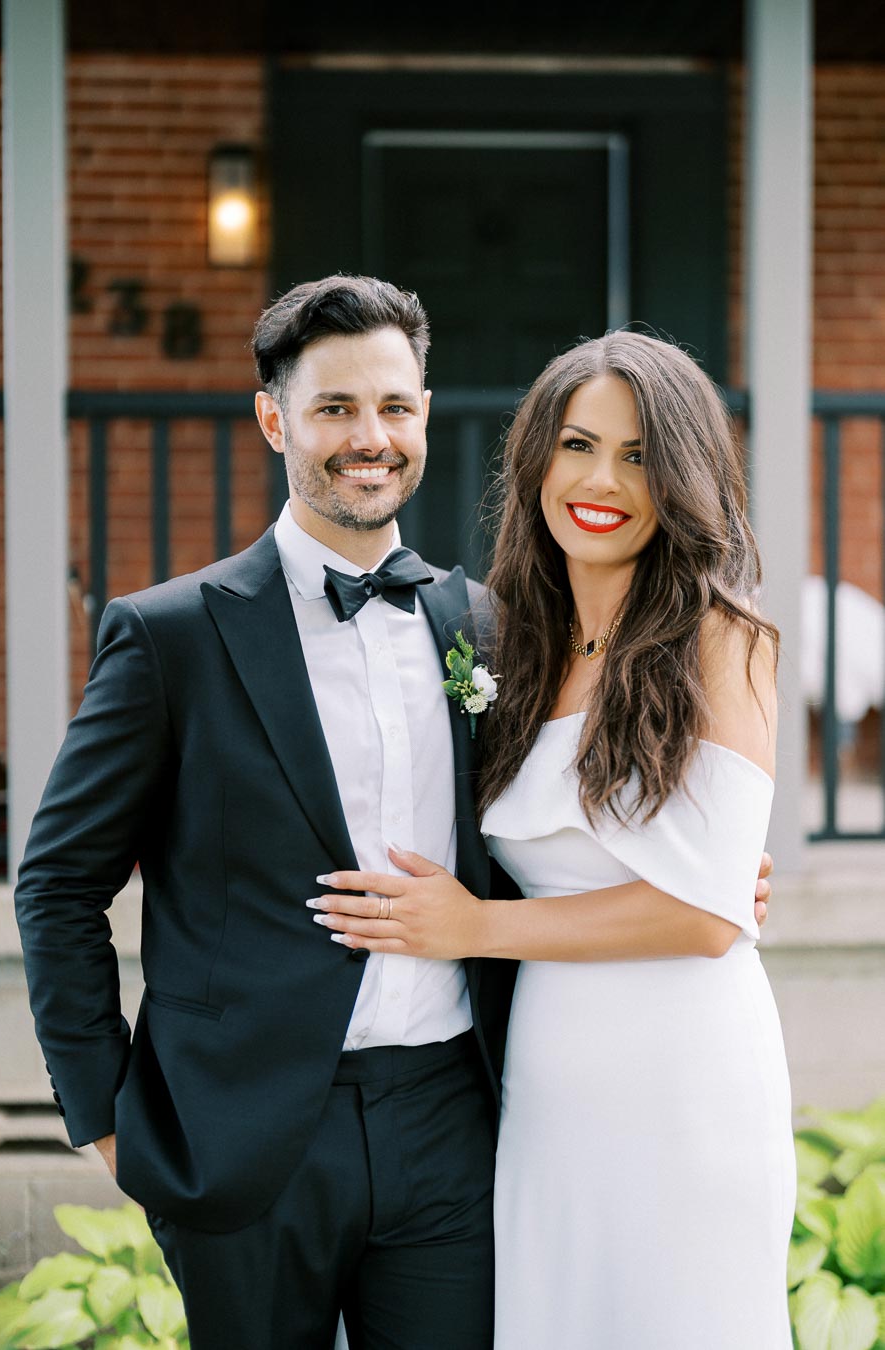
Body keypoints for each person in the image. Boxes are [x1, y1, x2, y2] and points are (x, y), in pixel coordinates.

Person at [14, 281, 774, 1350]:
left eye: (394, 407)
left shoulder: (493, 628)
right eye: (334, 409)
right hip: (243, 1134)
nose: (369, 438)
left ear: (422, 415)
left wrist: (709, 871)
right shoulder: (169, 636)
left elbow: (569, 814)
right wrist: (103, 1115)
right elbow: (55, 885)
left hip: (455, 1125)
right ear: (277, 419)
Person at [311, 331, 795, 1348]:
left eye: (637, 455)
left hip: (684, 1080)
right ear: (537, 460)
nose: (602, 481)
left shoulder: (723, 636)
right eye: (578, 445)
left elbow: (705, 918)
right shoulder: (508, 640)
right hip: (545, 1083)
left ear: (684, 478)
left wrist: (474, 926)